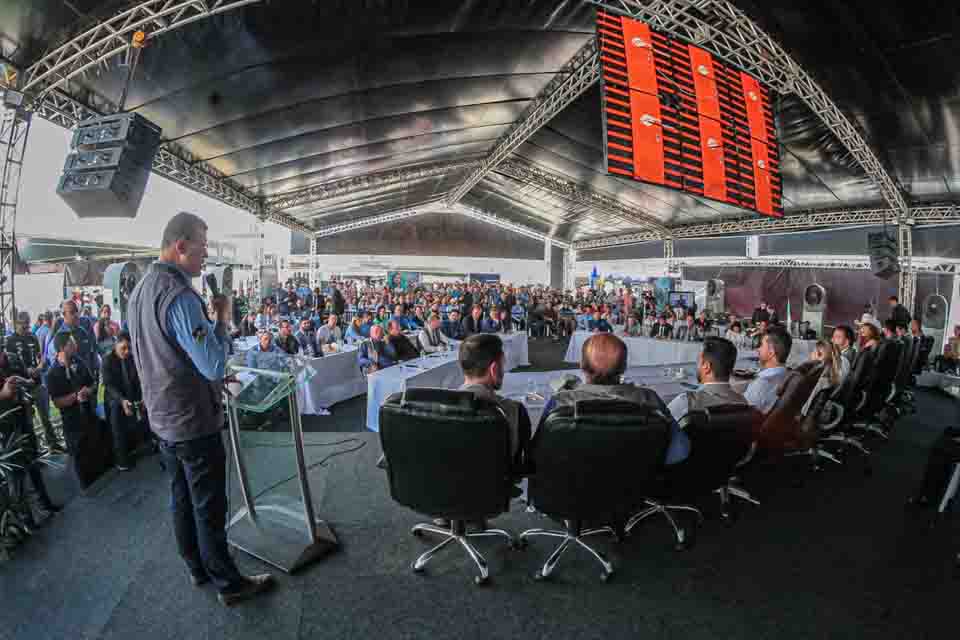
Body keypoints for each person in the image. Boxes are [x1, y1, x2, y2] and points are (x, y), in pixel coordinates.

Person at [127, 212, 274, 606]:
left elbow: (163, 355)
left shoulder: (140, 290)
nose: (206, 256)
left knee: (180, 497)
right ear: (181, 246)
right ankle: (229, 583)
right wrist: (223, 318)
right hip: (192, 422)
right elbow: (212, 362)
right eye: (203, 247)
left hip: (162, 420)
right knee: (208, 504)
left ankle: (195, 566)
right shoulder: (179, 297)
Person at [536, 334, 688, 465]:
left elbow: (537, 454)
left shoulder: (561, 401)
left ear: (581, 365)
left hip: (568, 492)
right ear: (624, 367)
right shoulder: (649, 399)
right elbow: (679, 450)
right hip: (635, 491)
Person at [0, 358, 60, 525]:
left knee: (34, 467)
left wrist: (25, 387)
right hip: (6, 436)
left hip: (22, 423)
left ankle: (46, 505)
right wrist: (4, 394)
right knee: (16, 478)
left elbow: (27, 382)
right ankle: (26, 522)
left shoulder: (10, 361)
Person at [458, 334, 530, 470]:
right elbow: (523, 464)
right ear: (494, 369)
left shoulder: (439, 406)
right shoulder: (514, 411)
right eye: (503, 365)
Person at [46, 333, 101, 486]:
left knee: (94, 452)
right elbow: (57, 402)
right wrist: (75, 396)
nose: (75, 345)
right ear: (62, 348)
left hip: (89, 416)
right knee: (80, 461)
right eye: (71, 343)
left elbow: (93, 384)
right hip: (72, 425)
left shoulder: (80, 361)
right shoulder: (53, 373)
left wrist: (88, 391)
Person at [3, 312, 59, 452]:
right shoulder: (10, 341)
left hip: (37, 382)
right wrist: (25, 371)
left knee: (46, 416)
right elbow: (9, 364)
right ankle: (34, 449)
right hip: (22, 385)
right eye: (24, 325)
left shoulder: (33, 337)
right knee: (28, 420)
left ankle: (53, 443)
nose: (27, 328)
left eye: (28, 324)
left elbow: (41, 357)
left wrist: (39, 367)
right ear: (17, 324)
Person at [666, 336, 747, 421]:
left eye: (699, 360)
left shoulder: (686, 402)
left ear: (706, 366)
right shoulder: (743, 403)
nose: (697, 365)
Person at [101, 332, 149, 471]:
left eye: (129, 348)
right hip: (115, 398)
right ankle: (121, 459)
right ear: (116, 345)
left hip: (132, 393)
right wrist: (122, 401)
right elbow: (109, 385)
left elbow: (139, 379)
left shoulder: (132, 358)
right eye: (124, 348)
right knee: (116, 411)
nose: (127, 352)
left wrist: (143, 398)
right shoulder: (107, 360)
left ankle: (147, 442)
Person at [743, 326, 791, 414]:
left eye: (761, 345)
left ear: (771, 351)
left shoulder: (762, 384)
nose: (758, 349)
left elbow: (742, 415)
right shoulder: (788, 376)